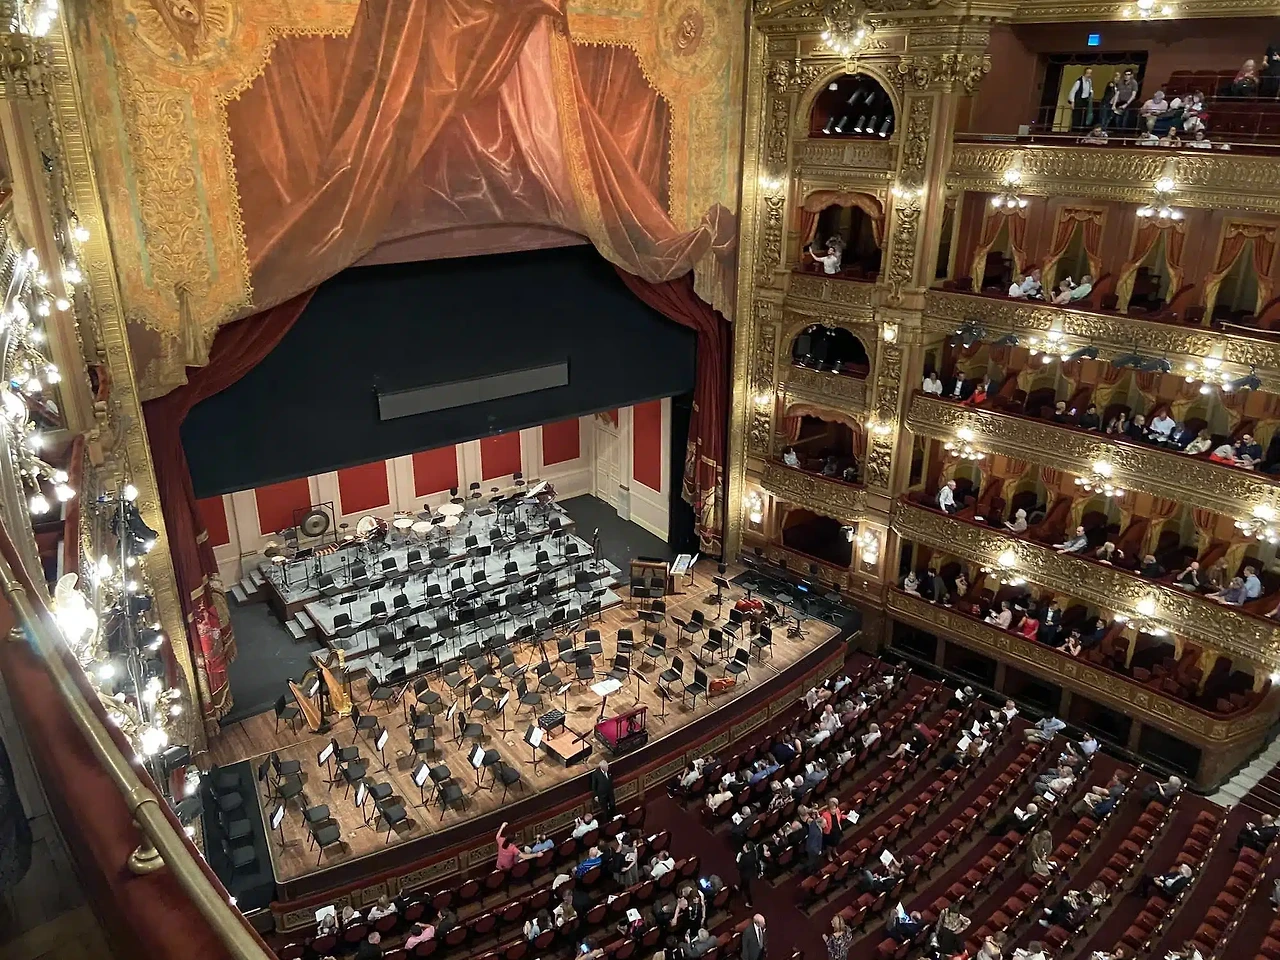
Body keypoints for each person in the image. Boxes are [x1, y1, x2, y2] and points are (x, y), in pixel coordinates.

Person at [1068, 67, 1095, 131]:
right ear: (1085, 73)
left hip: (1085, 100)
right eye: (1088, 73)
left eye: (1090, 73)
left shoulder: (1089, 81)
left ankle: (1081, 129)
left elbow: (1090, 89)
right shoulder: (1079, 81)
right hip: (1078, 100)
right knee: (1076, 117)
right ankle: (1074, 130)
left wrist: (1091, 93)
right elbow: (1073, 92)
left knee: (1083, 116)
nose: (1089, 75)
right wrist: (1072, 102)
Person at [736, 840, 761, 907]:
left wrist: (738, 859)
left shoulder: (745, 857)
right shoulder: (754, 853)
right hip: (751, 871)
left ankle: (750, 903)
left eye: (745, 846)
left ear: (748, 849)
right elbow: (757, 862)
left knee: (746, 889)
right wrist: (759, 871)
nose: (743, 846)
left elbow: (739, 867)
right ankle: (740, 889)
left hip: (745, 874)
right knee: (743, 883)